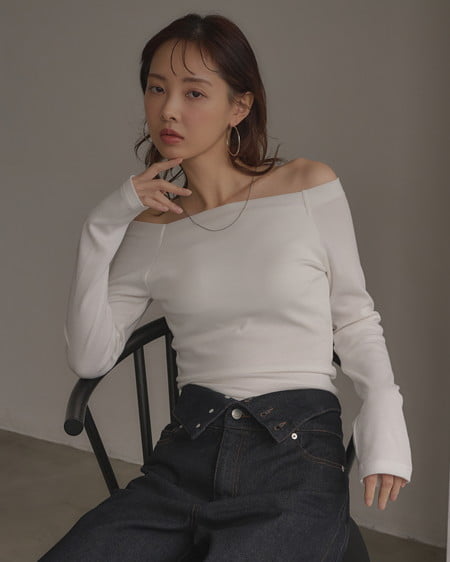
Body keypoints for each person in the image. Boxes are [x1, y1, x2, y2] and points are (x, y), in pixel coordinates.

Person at [39, 12, 412, 562]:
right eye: (157, 88)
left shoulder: (307, 186)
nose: (169, 109)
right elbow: (91, 357)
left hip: (294, 455)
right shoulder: (150, 230)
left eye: (194, 92)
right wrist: (103, 223)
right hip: (185, 458)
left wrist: (383, 409)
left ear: (239, 106)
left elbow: (354, 317)